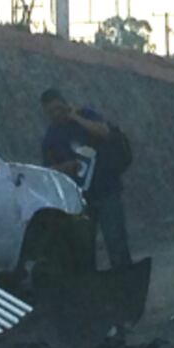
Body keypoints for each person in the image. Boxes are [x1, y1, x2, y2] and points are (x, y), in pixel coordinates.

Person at [40, 88, 132, 270]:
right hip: (80, 199)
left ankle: (124, 281)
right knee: (84, 249)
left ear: (66, 104)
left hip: (107, 190)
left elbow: (105, 132)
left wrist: (76, 118)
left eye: (59, 108)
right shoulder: (51, 136)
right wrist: (66, 167)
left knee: (116, 242)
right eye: (51, 112)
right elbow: (48, 169)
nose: (56, 114)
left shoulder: (86, 115)